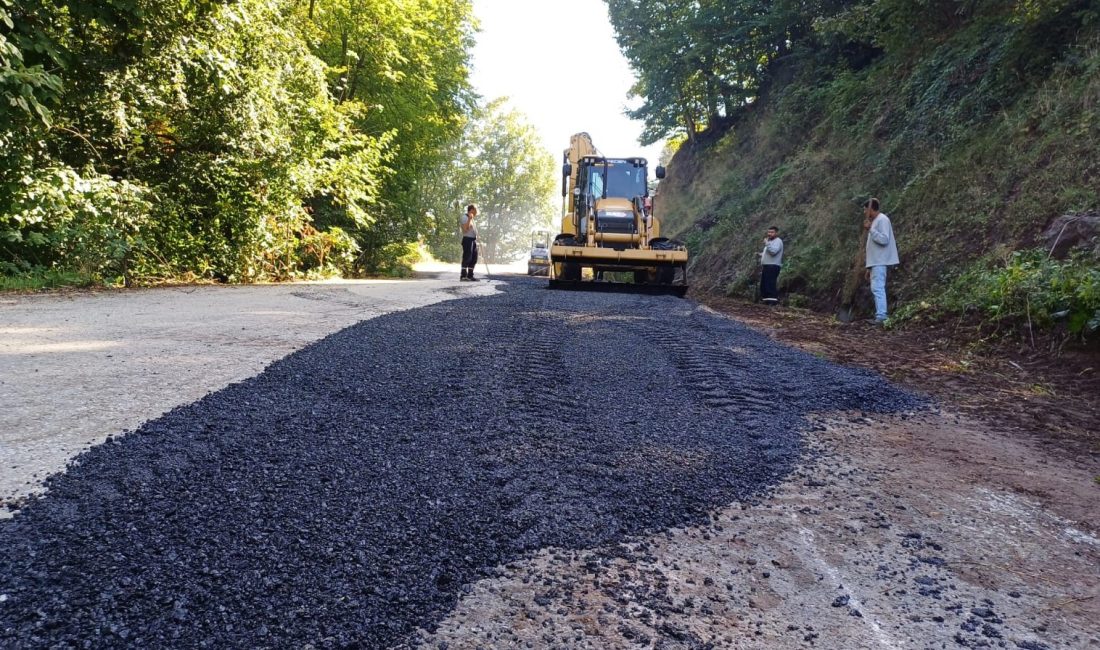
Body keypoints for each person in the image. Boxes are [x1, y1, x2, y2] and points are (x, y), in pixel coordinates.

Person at [863, 198, 900, 323]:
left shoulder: (882, 220)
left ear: (870, 209)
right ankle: (880, 315)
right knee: (876, 288)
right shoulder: (875, 221)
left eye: (865, 209)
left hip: (880, 261)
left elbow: (884, 239)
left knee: (878, 288)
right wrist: (869, 267)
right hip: (876, 261)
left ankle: (882, 316)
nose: (864, 212)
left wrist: (871, 230)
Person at [759, 226, 784, 305]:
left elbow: (773, 251)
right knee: (764, 284)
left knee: (770, 284)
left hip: (773, 266)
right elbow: (770, 252)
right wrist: (761, 254)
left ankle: (772, 302)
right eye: (769, 232)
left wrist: (767, 244)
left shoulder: (778, 241)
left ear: (776, 233)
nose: (769, 234)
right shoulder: (770, 242)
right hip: (767, 265)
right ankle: (766, 301)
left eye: (772, 232)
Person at [460, 203, 479, 281]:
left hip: (473, 240)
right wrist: (469, 219)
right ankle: (463, 276)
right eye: (475, 211)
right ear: (471, 210)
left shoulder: (472, 219)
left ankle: (470, 275)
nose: (476, 212)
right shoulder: (465, 217)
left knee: (474, 258)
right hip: (467, 239)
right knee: (467, 257)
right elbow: (465, 229)